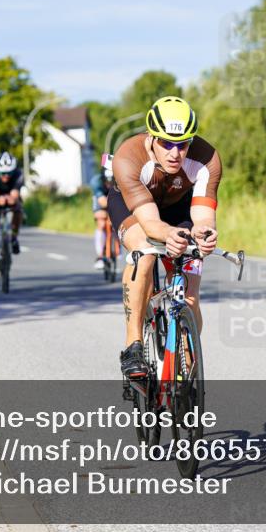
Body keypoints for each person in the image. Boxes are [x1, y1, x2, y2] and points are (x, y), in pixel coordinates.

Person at [108, 96, 221, 378]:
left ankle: (185, 366)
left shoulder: (207, 159)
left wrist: (204, 234)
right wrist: (169, 235)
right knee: (144, 252)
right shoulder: (128, 157)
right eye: (166, 143)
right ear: (151, 139)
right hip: (135, 208)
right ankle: (133, 345)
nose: (175, 153)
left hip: (178, 206)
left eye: (182, 144)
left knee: (190, 294)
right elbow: (150, 223)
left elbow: (203, 215)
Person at [0, 151, 24, 284]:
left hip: (11, 196)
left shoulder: (18, 175)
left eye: (9, 173)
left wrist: (11, 199)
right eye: (3, 173)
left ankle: (13, 237)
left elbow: (15, 194)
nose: (6, 176)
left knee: (18, 211)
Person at [90, 167, 116, 269]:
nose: (109, 183)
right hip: (100, 199)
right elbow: (102, 202)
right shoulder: (96, 182)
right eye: (107, 181)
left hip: (113, 197)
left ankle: (116, 245)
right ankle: (100, 257)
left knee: (117, 221)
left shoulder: (120, 178)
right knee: (101, 221)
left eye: (112, 181)